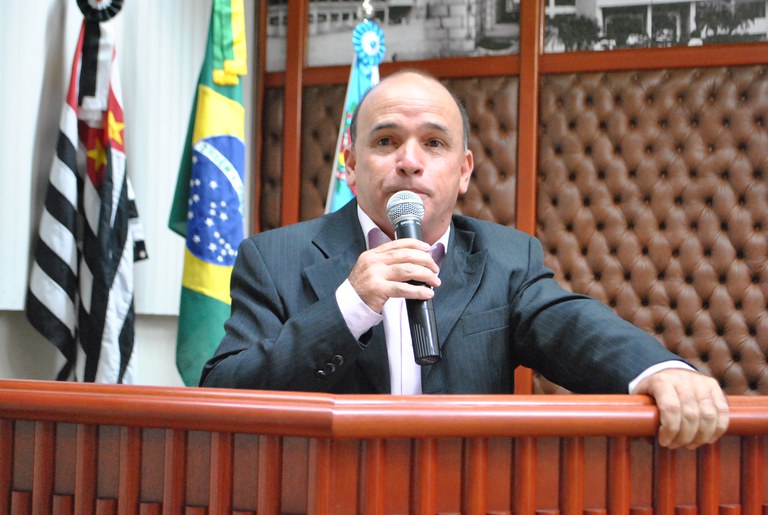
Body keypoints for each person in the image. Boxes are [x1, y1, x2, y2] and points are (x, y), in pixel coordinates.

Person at [201, 69, 729, 449]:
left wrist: (658, 370)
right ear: (351, 162)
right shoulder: (272, 258)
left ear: (464, 170)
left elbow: (570, 324)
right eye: (386, 141)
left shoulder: (506, 258)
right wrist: (349, 306)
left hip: (464, 492)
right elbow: (223, 394)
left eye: (433, 143)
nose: (409, 162)